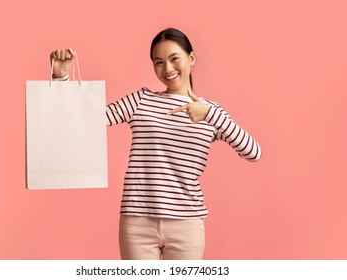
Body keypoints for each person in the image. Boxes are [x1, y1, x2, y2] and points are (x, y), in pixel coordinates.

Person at [50, 28, 261, 260]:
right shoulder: (141, 100)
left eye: (174, 59)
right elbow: (85, 120)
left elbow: (253, 152)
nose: (167, 69)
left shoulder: (211, 112)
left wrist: (210, 114)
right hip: (137, 223)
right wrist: (61, 77)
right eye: (159, 62)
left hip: (187, 224)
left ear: (191, 58)